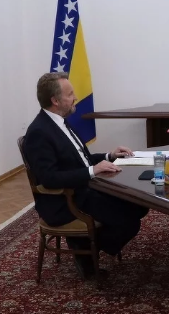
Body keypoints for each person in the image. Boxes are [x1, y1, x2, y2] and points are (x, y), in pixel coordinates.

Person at [24, 72, 148, 279]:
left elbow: (82, 158)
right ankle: (84, 252)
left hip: (84, 189)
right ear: (55, 101)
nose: (75, 98)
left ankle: (84, 244)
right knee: (129, 222)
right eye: (70, 94)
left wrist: (110, 155)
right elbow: (49, 178)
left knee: (139, 205)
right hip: (65, 201)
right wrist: (93, 170)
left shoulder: (60, 122)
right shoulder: (39, 132)